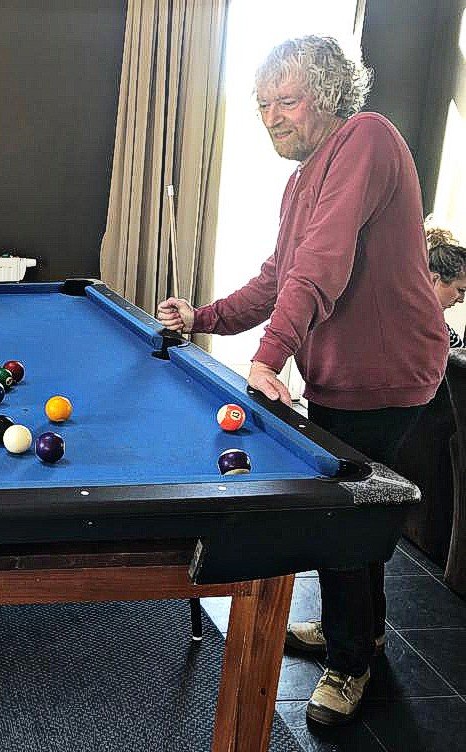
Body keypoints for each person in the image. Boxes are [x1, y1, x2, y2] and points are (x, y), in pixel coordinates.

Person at [156, 36, 447, 726]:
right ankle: (364, 631)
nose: (271, 116)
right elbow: (277, 278)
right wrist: (202, 317)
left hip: (390, 373)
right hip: (341, 376)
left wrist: (269, 356)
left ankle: (350, 663)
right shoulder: (300, 182)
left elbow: (321, 261)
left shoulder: (366, 138)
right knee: (355, 512)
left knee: (337, 518)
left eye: (286, 100)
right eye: (262, 104)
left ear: (328, 95)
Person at [426, 227, 466, 346]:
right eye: (461, 290)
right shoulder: (427, 328)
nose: (462, 299)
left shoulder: (442, 329)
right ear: (434, 280)